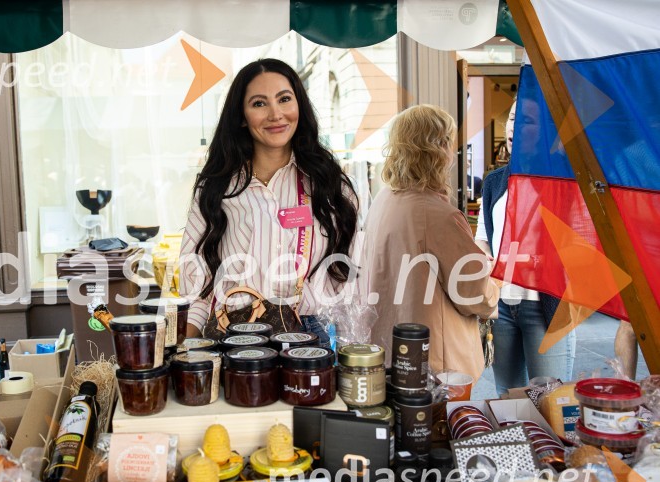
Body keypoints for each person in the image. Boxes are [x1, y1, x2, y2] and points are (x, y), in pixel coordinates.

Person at [178, 58, 359, 346]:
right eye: (259, 103)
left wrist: (349, 341)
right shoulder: (216, 188)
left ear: (299, 105)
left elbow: (349, 275)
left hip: (309, 333)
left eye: (284, 99)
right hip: (235, 332)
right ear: (241, 116)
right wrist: (181, 346)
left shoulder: (329, 186)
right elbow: (196, 283)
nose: (276, 114)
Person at [362, 105, 499, 379]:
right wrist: (495, 283)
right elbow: (472, 292)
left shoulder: (384, 200)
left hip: (387, 345)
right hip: (436, 359)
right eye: (450, 142)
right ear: (438, 148)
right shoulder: (438, 214)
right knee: (439, 422)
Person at [475, 100, 576, 395]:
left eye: (526, 121)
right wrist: (484, 259)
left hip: (547, 305)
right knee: (508, 395)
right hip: (501, 307)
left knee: (550, 398)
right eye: (511, 118)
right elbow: (483, 236)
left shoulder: (562, 181)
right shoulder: (495, 181)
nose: (513, 128)